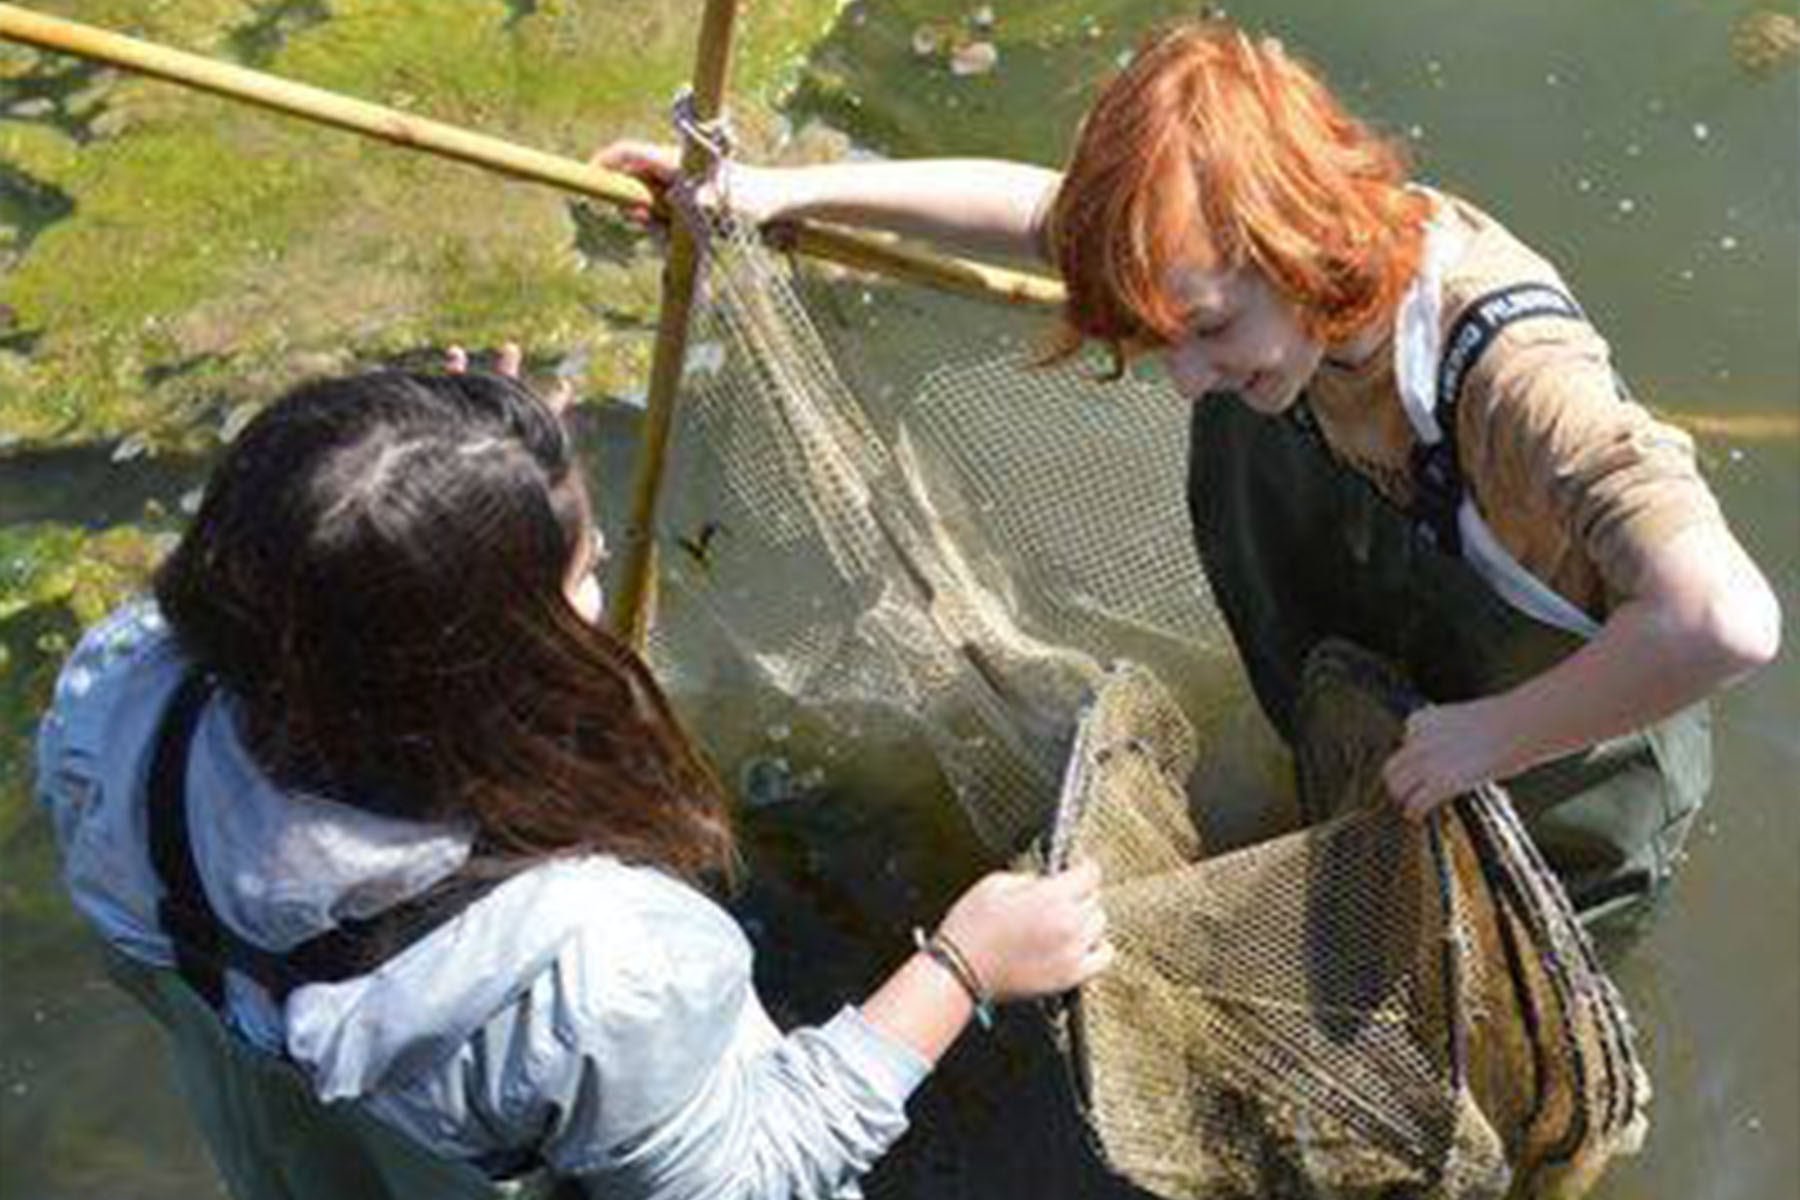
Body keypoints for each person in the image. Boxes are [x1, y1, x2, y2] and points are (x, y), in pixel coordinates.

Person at [598, 17, 1780, 920]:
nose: (1185, 378)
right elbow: (1043, 215)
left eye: (1208, 330)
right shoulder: (1242, 278)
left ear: (1303, 241)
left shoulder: (1514, 376)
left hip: (1560, 785)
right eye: (1166, 338)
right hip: (1397, 709)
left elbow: (1723, 622)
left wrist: (1495, 738)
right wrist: (778, 193)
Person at [36, 362, 1112, 1199]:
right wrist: (962, 968)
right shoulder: (603, 968)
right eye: (582, 573)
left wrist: (443, 480)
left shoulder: (119, 700)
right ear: (490, 663)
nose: (598, 595)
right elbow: (746, 1177)